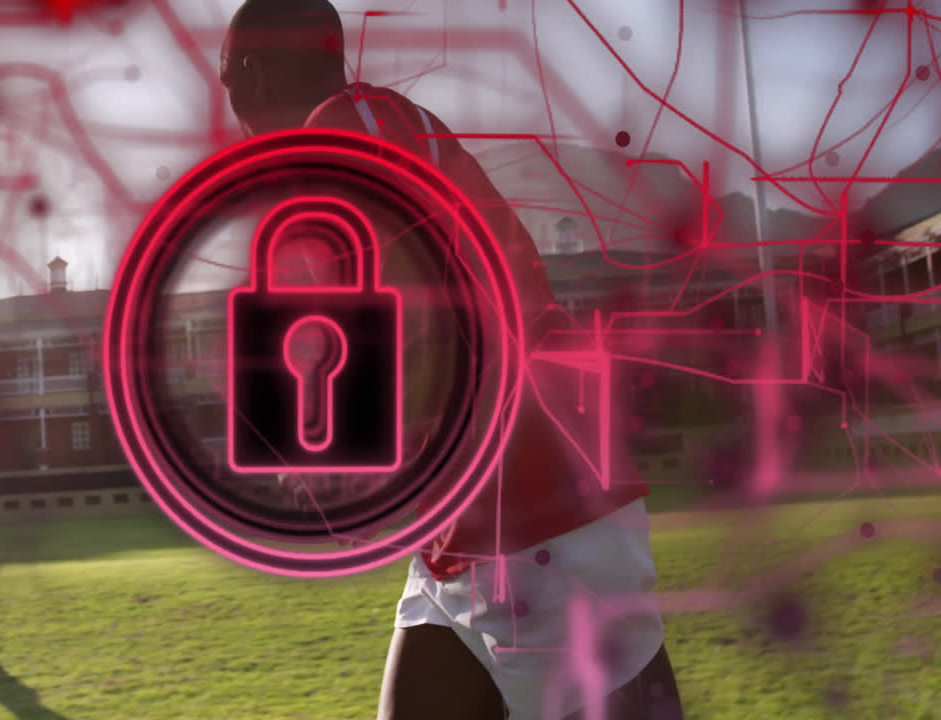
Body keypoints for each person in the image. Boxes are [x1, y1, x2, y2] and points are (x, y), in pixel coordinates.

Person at [220, 2, 685, 719]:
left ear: (253, 72)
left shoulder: (347, 132)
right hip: (472, 522)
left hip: (538, 512)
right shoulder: (371, 127)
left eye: (228, 86)